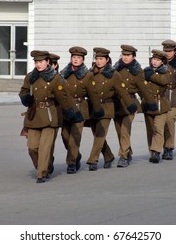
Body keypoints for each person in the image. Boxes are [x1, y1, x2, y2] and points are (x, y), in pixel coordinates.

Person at [19, 50, 83, 183]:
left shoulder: (55, 78)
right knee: (32, 148)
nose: (38, 64)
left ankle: (41, 173)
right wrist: (25, 97)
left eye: (41, 62)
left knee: (45, 147)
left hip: (50, 117)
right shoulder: (30, 77)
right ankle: (45, 165)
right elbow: (23, 90)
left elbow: (64, 97)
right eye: (36, 62)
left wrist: (72, 112)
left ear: (47, 62)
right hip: (33, 116)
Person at [86, 47, 138, 171]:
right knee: (96, 134)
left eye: (101, 59)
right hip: (92, 107)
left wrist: (130, 105)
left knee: (100, 133)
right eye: (97, 58)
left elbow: (122, 91)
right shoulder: (90, 73)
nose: (98, 61)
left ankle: (93, 160)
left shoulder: (113, 74)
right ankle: (108, 156)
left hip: (107, 107)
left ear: (107, 59)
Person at [60, 46, 104, 174]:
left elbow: (93, 94)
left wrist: (97, 109)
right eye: (74, 57)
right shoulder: (64, 73)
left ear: (83, 60)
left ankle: (72, 163)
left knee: (75, 137)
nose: (75, 60)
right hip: (66, 109)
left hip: (80, 109)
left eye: (78, 58)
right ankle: (76, 155)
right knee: (65, 136)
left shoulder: (87, 75)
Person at [112, 44, 156, 168]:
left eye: (128, 55)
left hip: (130, 104)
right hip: (117, 104)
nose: (125, 58)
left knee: (125, 130)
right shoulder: (115, 69)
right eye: (124, 55)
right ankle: (128, 151)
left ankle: (123, 156)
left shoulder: (137, 71)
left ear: (133, 57)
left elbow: (144, 89)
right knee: (119, 132)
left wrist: (150, 103)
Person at [141, 49, 171, 163]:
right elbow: (140, 85)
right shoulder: (145, 71)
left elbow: (164, 81)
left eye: (157, 60)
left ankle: (156, 151)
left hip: (160, 105)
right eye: (153, 59)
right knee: (150, 129)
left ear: (162, 62)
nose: (154, 62)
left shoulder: (165, 72)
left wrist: (151, 75)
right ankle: (152, 151)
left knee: (158, 129)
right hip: (147, 104)